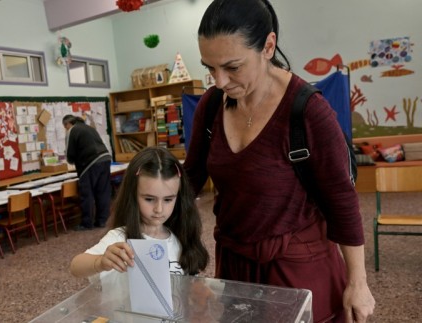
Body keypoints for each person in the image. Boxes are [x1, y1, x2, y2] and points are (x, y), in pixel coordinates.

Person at [183, 1, 375, 322]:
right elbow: (189, 180)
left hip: (297, 268)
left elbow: (341, 202)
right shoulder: (212, 105)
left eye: (232, 67)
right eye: (210, 68)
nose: (219, 81)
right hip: (234, 265)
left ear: (268, 46)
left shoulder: (309, 112)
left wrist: (358, 282)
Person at [70, 147, 209, 284]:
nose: (159, 209)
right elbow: (76, 267)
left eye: (168, 199)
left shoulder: (181, 238)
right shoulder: (119, 237)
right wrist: (99, 262)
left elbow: (191, 286)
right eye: (149, 199)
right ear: (133, 196)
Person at [63, 114, 112, 230]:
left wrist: (71, 160)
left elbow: (70, 154)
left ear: (67, 124)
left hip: (90, 163)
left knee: (87, 193)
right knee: (103, 192)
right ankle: (101, 220)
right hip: (105, 158)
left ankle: (86, 223)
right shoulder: (89, 128)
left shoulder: (72, 130)